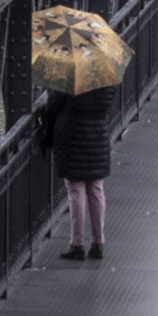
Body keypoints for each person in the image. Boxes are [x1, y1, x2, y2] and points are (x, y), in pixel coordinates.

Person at [39, 82, 116, 260]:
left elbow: (53, 105)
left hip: (72, 136)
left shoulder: (69, 75)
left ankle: (77, 244)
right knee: (96, 189)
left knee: (76, 191)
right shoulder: (106, 76)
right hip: (98, 135)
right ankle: (98, 243)